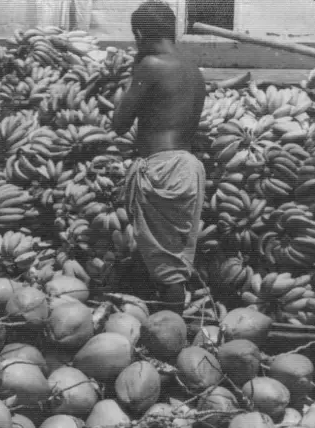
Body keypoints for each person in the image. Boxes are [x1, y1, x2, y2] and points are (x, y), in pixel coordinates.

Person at [111, 0, 206, 313]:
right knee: (172, 256)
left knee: (169, 272)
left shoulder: (149, 66)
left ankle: (172, 335)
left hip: (161, 168)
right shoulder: (194, 70)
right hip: (189, 168)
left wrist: (127, 83)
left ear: (139, 33)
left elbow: (119, 123)